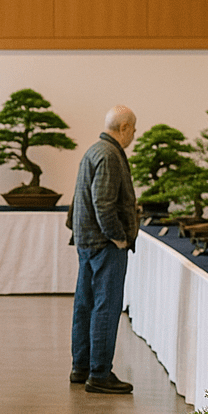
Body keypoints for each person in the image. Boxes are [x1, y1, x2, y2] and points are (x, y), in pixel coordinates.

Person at [69, 105, 139, 394]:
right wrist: (119, 237)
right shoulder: (110, 155)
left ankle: (81, 367)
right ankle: (99, 373)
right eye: (133, 129)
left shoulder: (95, 150)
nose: (134, 135)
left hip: (87, 240)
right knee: (106, 308)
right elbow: (103, 203)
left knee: (85, 305)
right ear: (123, 128)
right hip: (104, 243)